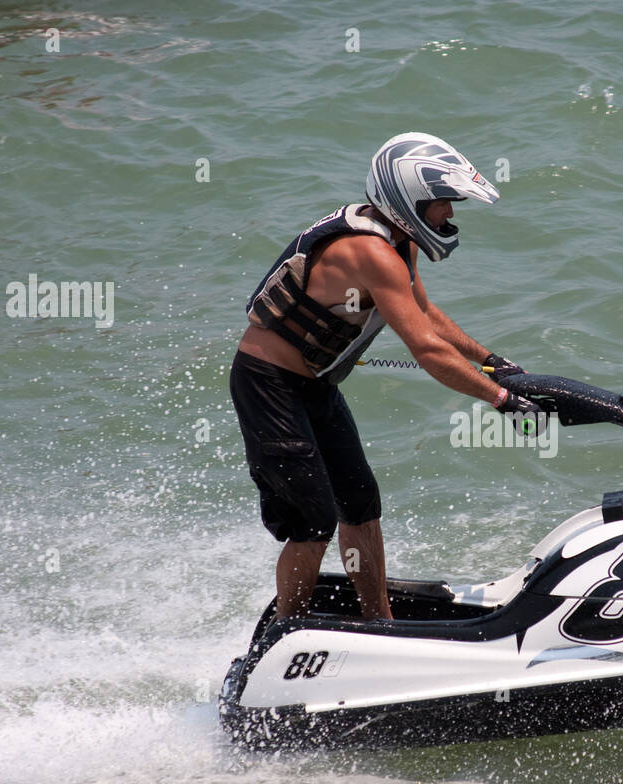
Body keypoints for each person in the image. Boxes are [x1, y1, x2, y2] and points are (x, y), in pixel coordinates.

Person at [230, 132, 537, 622]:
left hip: (315, 386)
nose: (450, 216)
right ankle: (284, 638)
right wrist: (499, 398)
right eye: (444, 205)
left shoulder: (398, 241)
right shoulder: (369, 253)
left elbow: (426, 315)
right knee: (313, 520)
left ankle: (380, 623)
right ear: (410, 201)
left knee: (360, 503)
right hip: (269, 385)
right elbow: (426, 348)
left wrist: (493, 363)